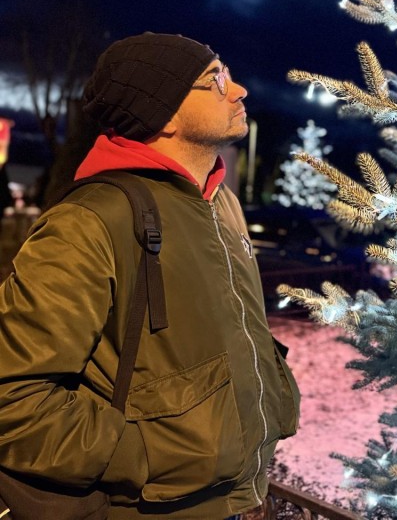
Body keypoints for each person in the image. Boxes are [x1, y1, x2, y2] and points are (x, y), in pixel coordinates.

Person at [0, 33, 300, 520]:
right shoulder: (90, 221)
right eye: (214, 80)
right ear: (160, 112)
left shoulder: (218, 202)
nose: (239, 89)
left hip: (230, 501)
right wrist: (144, 455)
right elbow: (11, 398)